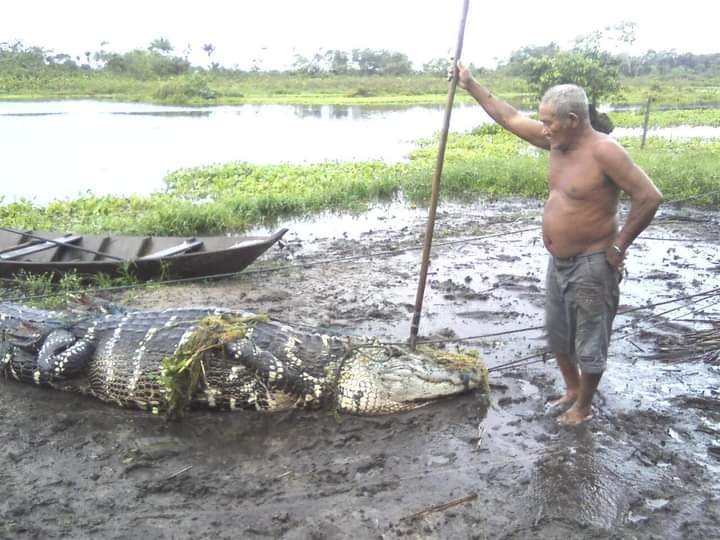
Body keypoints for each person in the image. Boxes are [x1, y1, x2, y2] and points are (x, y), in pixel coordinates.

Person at [452, 64, 663, 426]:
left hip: (593, 263)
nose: (544, 128)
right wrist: (471, 85)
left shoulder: (604, 152)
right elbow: (510, 117)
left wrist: (618, 247)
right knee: (557, 331)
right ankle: (571, 389)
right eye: (543, 122)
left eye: (549, 121)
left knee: (590, 339)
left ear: (573, 119)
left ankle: (584, 406)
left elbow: (649, 197)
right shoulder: (555, 141)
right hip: (559, 262)